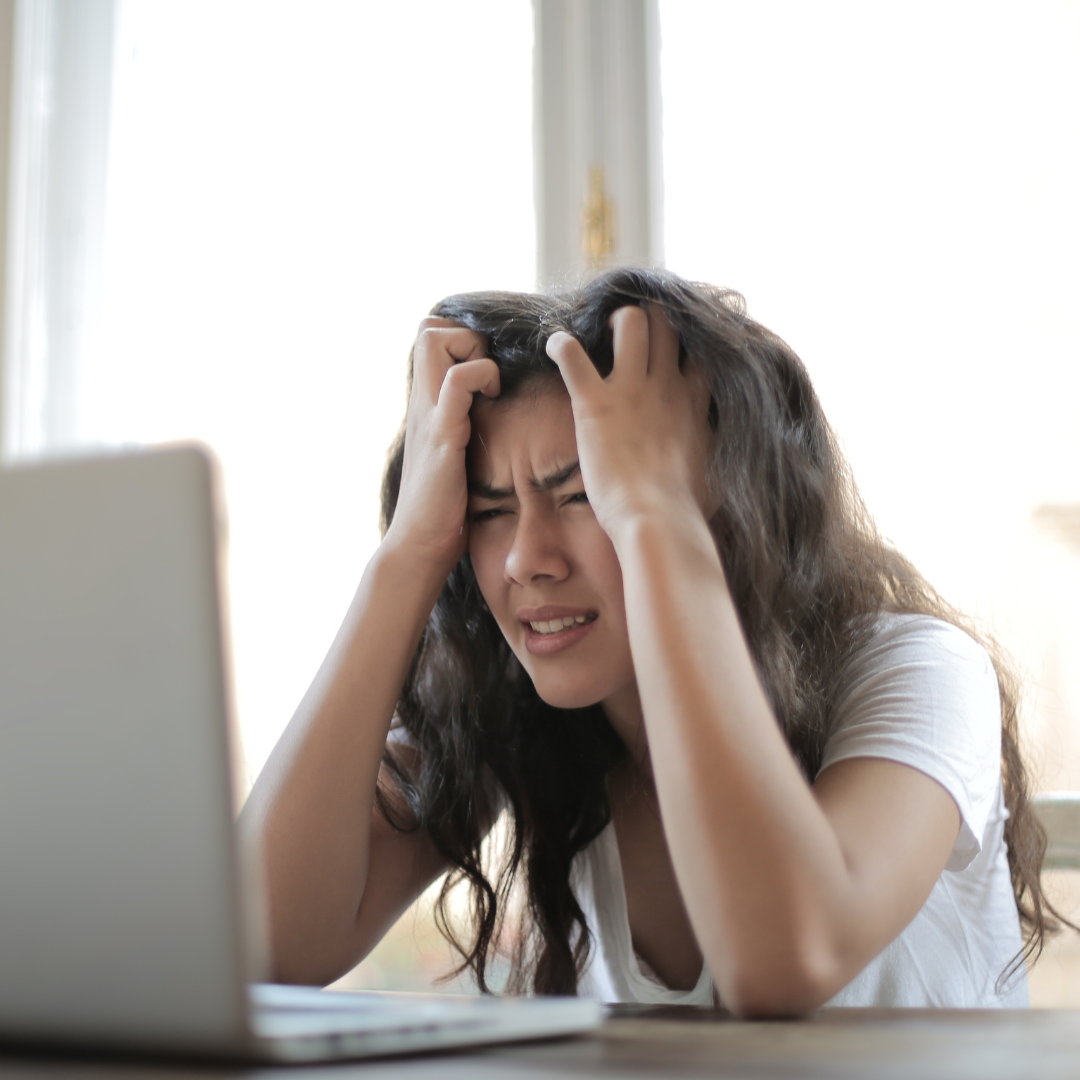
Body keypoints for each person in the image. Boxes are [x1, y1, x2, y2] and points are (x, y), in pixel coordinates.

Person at [240, 267, 1059, 1015]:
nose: (526, 559)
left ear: (726, 504)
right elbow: (262, 945)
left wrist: (656, 519)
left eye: (588, 494)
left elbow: (785, 959)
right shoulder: (527, 714)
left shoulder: (920, 670)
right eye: (489, 511)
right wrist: (408, 552)